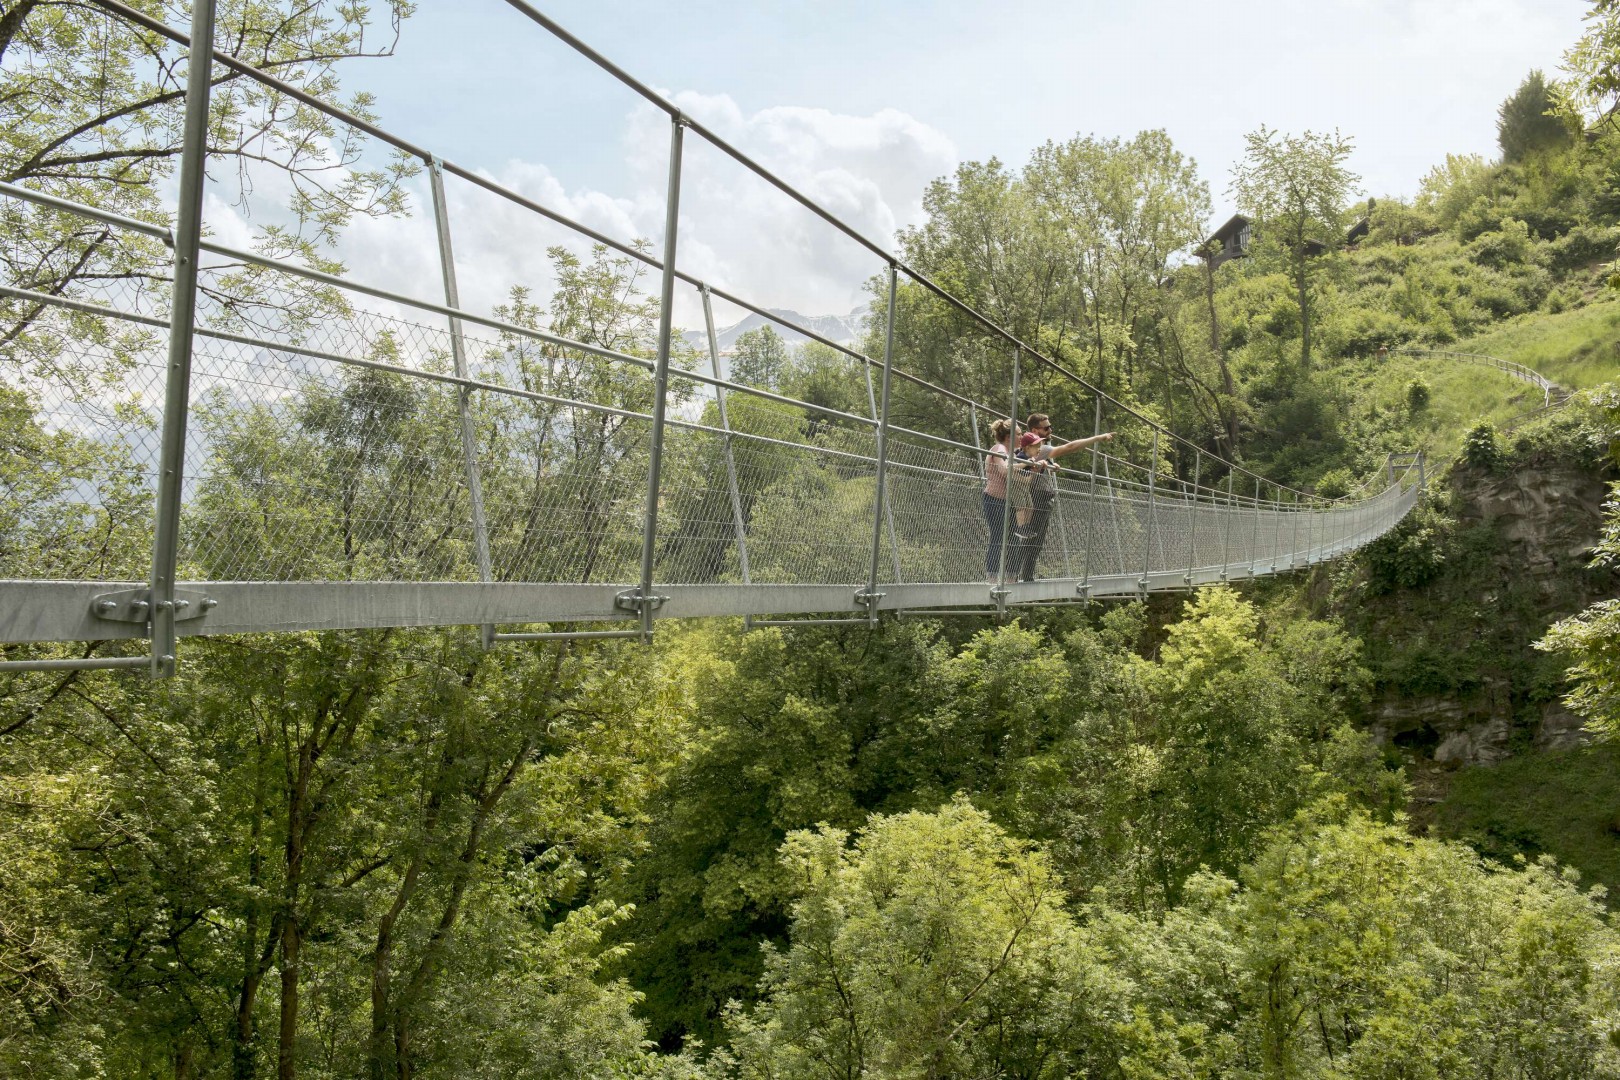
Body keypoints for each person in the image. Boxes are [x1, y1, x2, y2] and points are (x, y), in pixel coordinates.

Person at [1013, 413, 1113, 582]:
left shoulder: (1038, 448)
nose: (1050, 430)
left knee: (1035, 540)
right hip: (1037, 498)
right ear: (1035, 430)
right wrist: (1098, 438)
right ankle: (1018, 575)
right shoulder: (1038, 447)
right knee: (1032, 540)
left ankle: (1022, 575)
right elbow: (1069, 448)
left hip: (1041, 497)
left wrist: (1051, 465)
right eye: (1046, 427)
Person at [982, 418, 1021, 582]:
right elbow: (1005, 471)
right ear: (1009, 437)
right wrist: (1025, 465)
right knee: (998, 537)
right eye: (1019, 434)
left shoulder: (1011, 452)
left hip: (1007, 503)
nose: (1022, 437)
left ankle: (1011, 577)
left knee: (1013, 538)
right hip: (994, 500)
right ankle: (992, 578)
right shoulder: (999, 449)